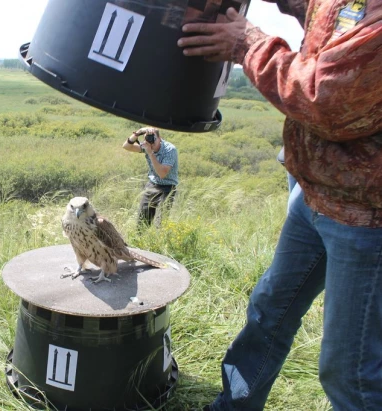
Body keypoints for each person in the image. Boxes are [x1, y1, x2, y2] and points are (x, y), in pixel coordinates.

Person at [178, 1, 382, 410]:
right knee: (270, 310)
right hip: (315, 194)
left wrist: (247, 42)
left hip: (366, 217)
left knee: (351, 371)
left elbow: (323, 98)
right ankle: (234, 406)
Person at [123, 127, 179, 226]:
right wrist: (138, 133)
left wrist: (150, 153)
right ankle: (140, 239)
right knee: (143, 219)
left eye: (153, 139)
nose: (151, 143)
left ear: (160, 138)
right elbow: (126, 146)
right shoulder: (147, 145)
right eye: (148, 139)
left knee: (161, 221)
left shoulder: (170, 149)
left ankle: (159, 239)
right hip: (152, 185)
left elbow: (162, 174)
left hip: (168, 187)